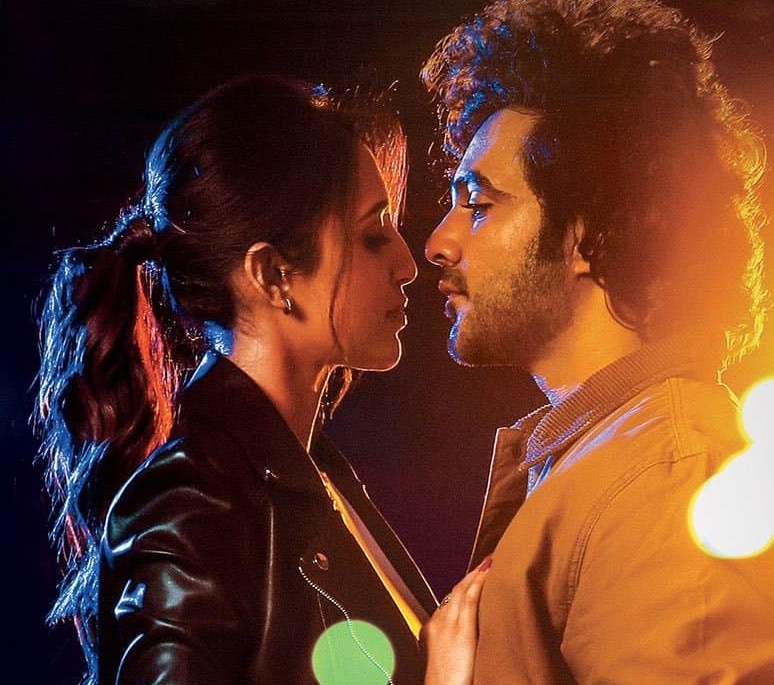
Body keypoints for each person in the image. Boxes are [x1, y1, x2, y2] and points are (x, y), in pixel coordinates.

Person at [421, 0, 774, 683]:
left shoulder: (670, 480)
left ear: (588, 235)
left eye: (479, 205)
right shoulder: (606, 459)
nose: (438, 243)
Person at [34, 75, 485, 685]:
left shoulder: (308, 475)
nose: (408, 263)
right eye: (373, 234)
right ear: (273, 274)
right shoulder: (194, 500)